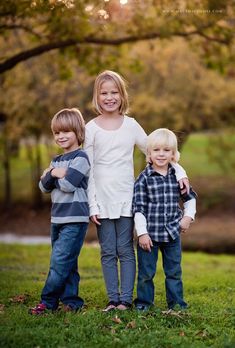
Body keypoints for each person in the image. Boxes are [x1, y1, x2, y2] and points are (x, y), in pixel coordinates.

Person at [84, 70, 189, 312]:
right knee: (108, 252)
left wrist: (180, 172)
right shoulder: (91, 129)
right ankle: (113, 299)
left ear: (122, 95)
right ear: (97, 96)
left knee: (125, 250)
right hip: (101, 200)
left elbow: (156, 151)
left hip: (127, 199)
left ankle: (125, 300)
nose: (109, 97)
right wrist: (92, 205)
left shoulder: (131, 125)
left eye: (114, 92)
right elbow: (88, 170)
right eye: (104, 93)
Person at [29, 108, 90, 315]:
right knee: (68, 262)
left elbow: (68, 185)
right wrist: (54, 173)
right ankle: (72, 302)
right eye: (57, 133)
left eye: (66, 132)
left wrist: (51, 175)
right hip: (57, 218)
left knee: (59, 261)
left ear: (78, 132)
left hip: (75, 218)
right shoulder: (56, 161)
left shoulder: (81, 157)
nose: (61, 136)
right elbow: (43, 187)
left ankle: (48, 302)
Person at [132, 128, 197, 311]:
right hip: (149, 237)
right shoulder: (143, 179)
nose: (161, 154)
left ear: (173, 154)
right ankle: (144, 305)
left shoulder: (178, 177)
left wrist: (187, 217)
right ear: (149, 154)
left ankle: (177, 305)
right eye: (157, 150)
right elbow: (138, 208)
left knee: (174, 272)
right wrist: (142, 233)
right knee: (146, 273)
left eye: (166, 150)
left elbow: (190, 198)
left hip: (172, 233)